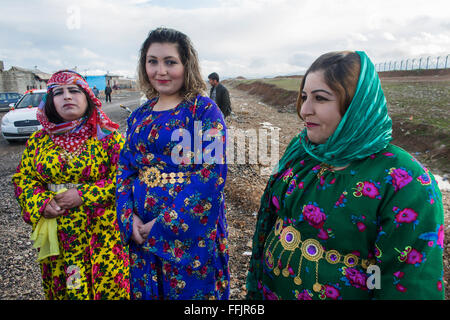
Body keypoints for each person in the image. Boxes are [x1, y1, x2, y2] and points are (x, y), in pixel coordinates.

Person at [246, 51, 445, 300]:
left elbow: (409, 284)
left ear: (356, 105)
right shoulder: (303, 151)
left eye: (320, 98)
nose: (304, 110)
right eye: (304, 97)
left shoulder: (403, 180)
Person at [116, 27, 229, 300]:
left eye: (170, 62)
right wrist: (128, 216)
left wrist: (164, 224)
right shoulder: (139, 116)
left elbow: (210, 175)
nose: (160, 71)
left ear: (186, 65)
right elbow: (125, 169)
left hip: (189, 234)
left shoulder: (204, 111)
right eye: (152, 61)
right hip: (140, 231)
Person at [12, 70, 130, 300]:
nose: (67, 96)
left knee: (108, 288)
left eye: (74, 90)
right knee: (68, 288)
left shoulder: (107, 137)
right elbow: (23, 179)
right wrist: (41, 202)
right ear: (50, 101)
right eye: (59, 92)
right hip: (59, 233)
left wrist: (84, 194)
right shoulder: (39, 141)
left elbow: (127, 178)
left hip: (102, 233)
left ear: (87, 96)